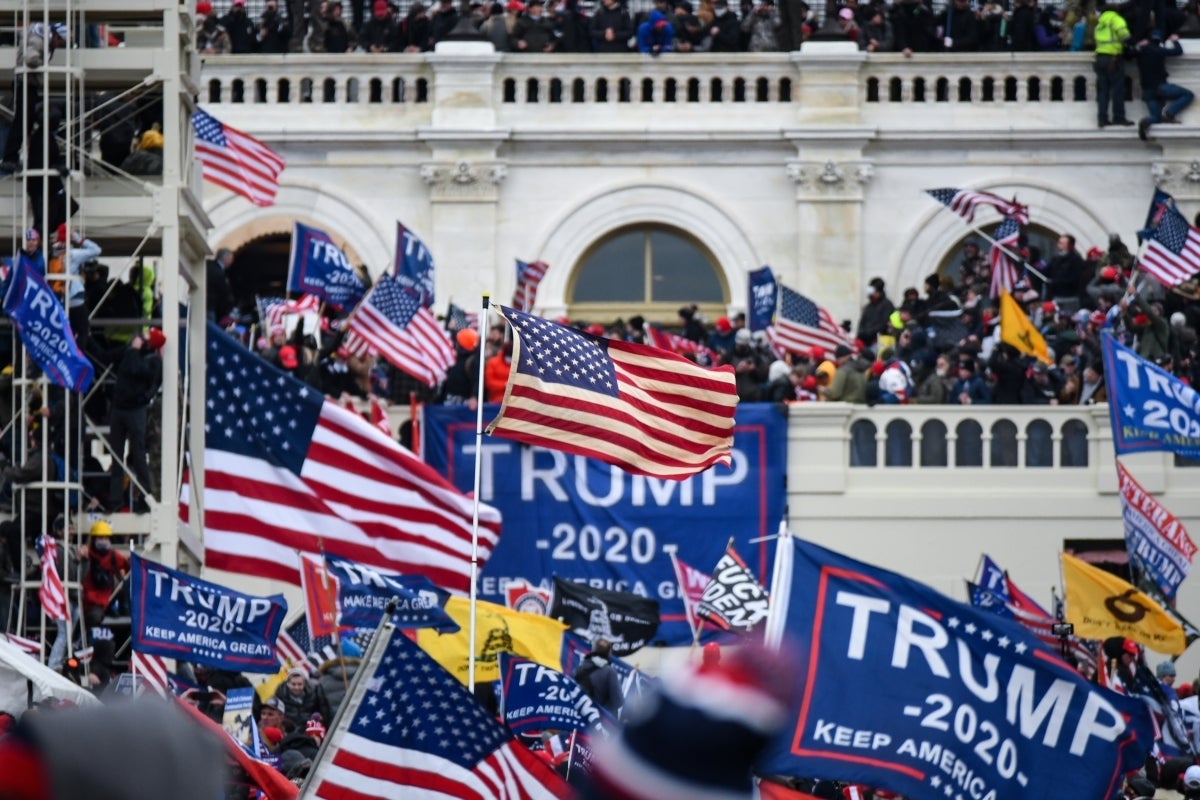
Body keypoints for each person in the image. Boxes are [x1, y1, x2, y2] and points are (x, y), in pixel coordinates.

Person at [105, 329, 165, 514]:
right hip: (119, 409)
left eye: (145, 337)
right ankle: (115, 499)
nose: (139, 339)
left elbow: (136, 370)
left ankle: (145, 496)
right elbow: (108, 357)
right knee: (116, 455)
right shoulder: (133, 354)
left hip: (135, 411)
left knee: (138, 454)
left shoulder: (153, 362)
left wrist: (133, 351)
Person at [1, 22, 67, 174]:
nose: (59, 45)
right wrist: (43, 65)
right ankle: (10, 158)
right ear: (56, 36)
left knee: (29, 122)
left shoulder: (38, 36)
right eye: (60, 41)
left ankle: (14, 158)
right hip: (26, 84)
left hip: (27, 84)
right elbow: (30, 58)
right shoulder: (39, 39)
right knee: (23, 121)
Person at [1135, 29, 1193, 141]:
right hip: (1160, 87)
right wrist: (1175, 41)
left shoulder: (1141, 52)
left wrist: (1138, 45)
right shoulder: (1159, 50)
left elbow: (1129, 53)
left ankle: (1146, 121)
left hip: (1147, 91)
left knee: (1156, 117)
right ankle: (1170, 113)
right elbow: (1178, 51)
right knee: (1188, 95)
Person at [1094, 0, 1134, 128]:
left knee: (1103, 91)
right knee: (1117, 90)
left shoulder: (1100, 23)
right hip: (1113, 58)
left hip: (1100, 58)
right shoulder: (1116, 19)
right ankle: (1119, 117)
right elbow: (1125, 35)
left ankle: (1102, 118)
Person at [572, 638, 623, 716]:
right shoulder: (610, 672)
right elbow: (618, 702)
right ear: (609, 653)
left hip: (582, 718)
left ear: (593, 649)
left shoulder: (579, 668)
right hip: (601, 721)